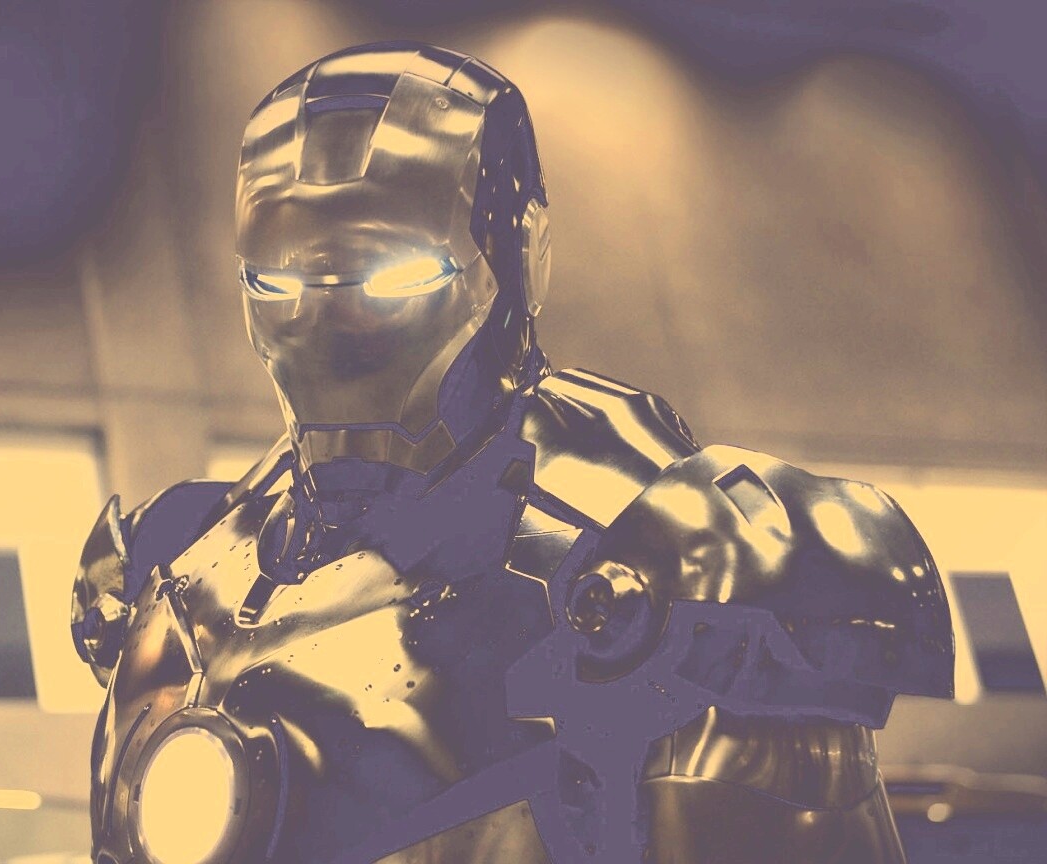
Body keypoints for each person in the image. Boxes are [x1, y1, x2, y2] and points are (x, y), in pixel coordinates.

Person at [71, 41, 954, 864]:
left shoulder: (684, 564)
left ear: (516, 253)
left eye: (391, 277)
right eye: (280, 281)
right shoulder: (177, 564)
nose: (324, 323)